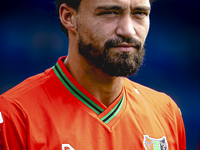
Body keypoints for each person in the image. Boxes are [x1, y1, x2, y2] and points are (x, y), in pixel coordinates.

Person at [0, 0, 186, 149]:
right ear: (69, 17)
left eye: (140, 13)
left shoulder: (166, 111)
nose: (128, 30)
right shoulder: (13, 115)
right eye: (110, 12)